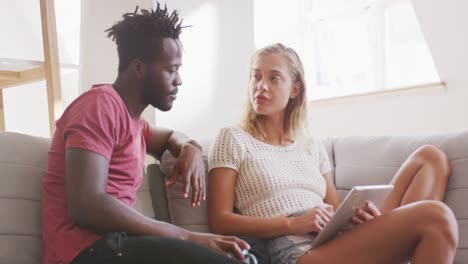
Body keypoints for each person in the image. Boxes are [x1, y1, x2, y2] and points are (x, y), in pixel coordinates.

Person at [207, 43, 458, 264]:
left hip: (333, 239)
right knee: (436, 217)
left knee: (430, 159)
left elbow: (336, 212)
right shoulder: (232, 138)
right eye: (256, 76)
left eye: (273, 78)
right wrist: (292, 223)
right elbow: (220, 220)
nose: (261, 86)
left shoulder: (310, 146)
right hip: (295, 250)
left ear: (294, 89)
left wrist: (358, 217)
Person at [41, 4, 249, 264]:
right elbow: (86, 205)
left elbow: (171, 136)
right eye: (171, 70)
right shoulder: (99, 106)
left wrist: (191, 147)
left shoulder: (134, 122)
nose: (179, 80)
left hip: (116, 247)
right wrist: (186, 236)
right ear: (139, 68)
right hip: (88, 253)